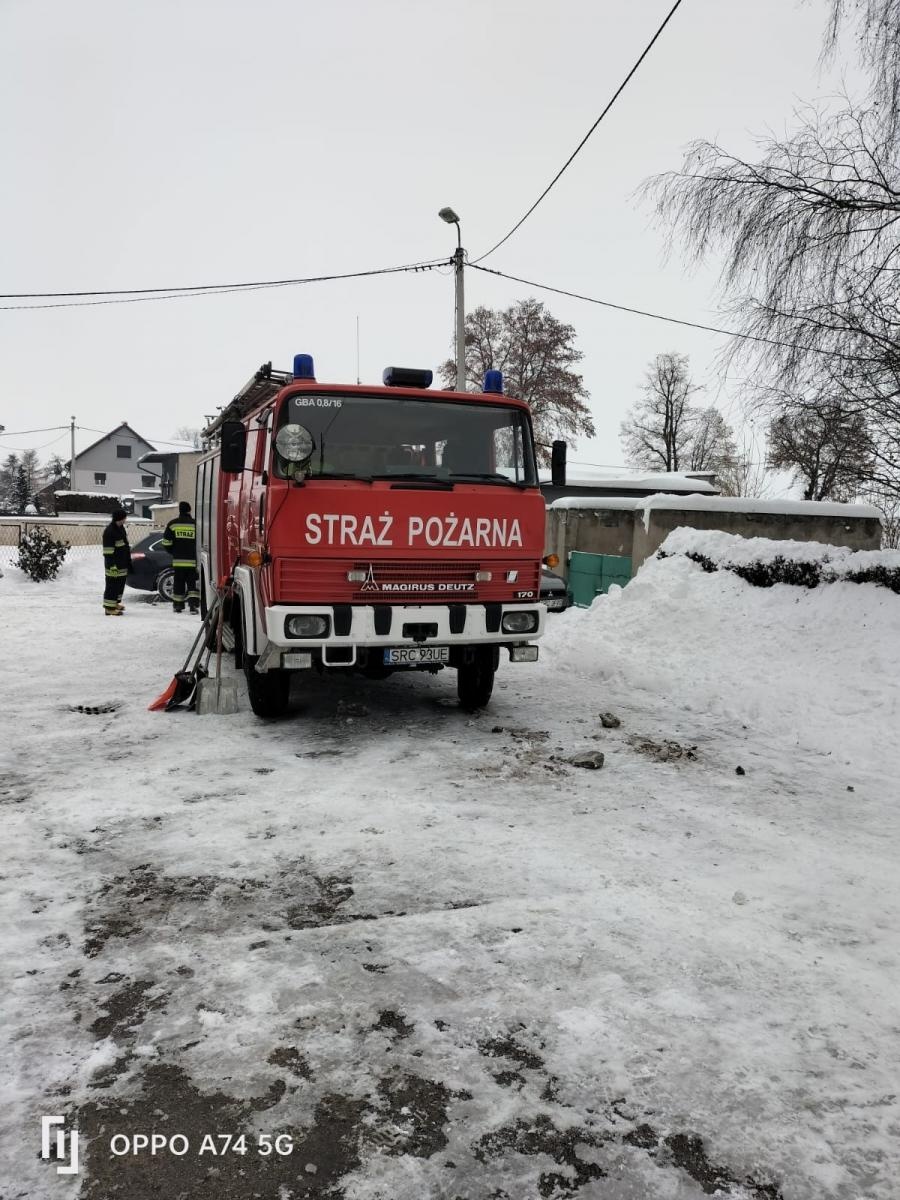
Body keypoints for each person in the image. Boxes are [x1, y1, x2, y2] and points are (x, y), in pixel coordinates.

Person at [161, 500, 199, 614]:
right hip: (192, 561)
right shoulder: (195, 524)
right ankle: (193, 607)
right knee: (192, 584)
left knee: (178, 584)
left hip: (178, 561)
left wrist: (174, 552)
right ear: (189, 510)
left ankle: (178, 606)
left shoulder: (173, 524)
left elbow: (166, 543)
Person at [102, 508, 131, 616]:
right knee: (112, 586)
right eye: (124, 518)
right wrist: (112, 566)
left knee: (119, 585)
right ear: (119, 518)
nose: (125, 520)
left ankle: (115, 603)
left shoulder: (121, 528)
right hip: (113, 565)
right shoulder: (110, 531)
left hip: (122, 562)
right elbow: (108, 552)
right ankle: (109, 608)